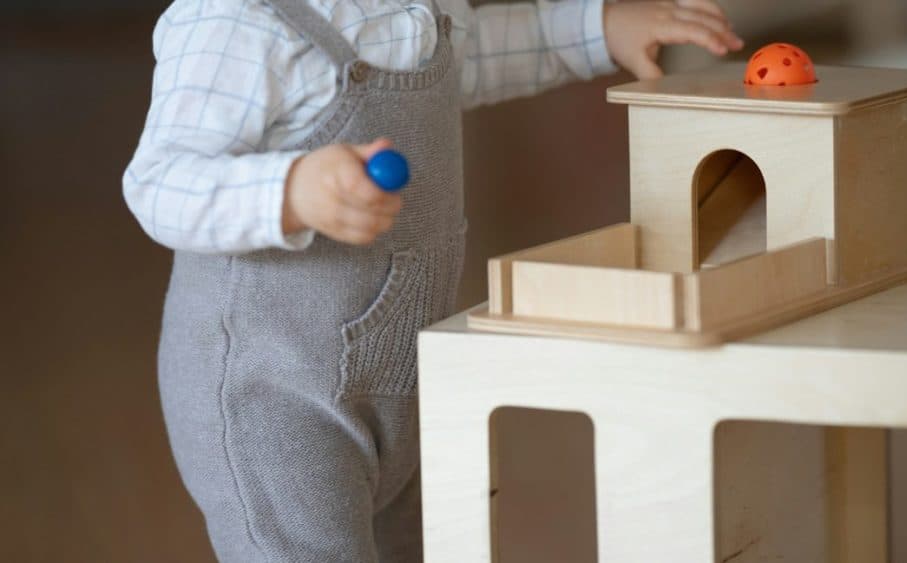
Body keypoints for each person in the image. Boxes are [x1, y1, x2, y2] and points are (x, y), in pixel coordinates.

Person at [123, 0, 742, 560]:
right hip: (274, 391)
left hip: (402, 372)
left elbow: (476, 58)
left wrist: (595, 29)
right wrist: (289, 191)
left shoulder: (423, 8)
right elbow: (160, 183)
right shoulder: (237, 22)